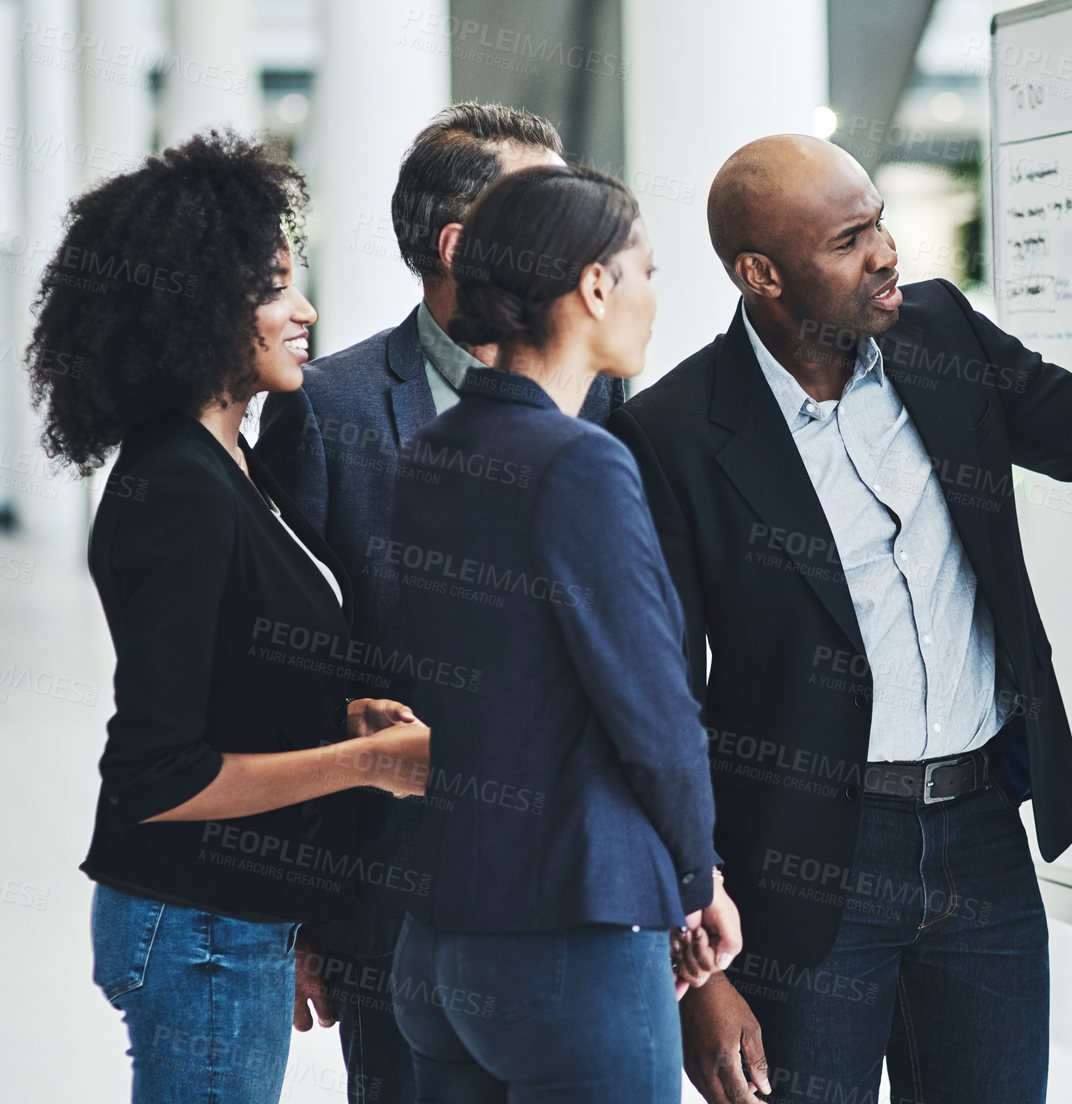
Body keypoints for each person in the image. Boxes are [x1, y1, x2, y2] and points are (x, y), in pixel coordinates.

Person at [606, 133, 1072, 1104]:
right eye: (847, 239)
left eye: (877, 221)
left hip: (980, 844)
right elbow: (659, 711)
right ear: (761, 273)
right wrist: (700, 974)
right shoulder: (670, 436)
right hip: (800, 870)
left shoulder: (941, 334)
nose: (885, 252)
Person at [24, 131, 431, 1103]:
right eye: (276, 288)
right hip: (196, 923)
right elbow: (156, 776)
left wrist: (343, 722)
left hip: (230, 916)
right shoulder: (177, 486)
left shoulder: (230, 462)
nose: (306, 311)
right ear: (196, 306)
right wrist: (370, 766)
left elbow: (236, 688)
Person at [255, 103, 610, 1104]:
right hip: (395, 906)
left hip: (585, 903)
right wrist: (299, 912)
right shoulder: (330, 408)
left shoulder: (613, 400)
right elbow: (293, 674)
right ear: (460, 245)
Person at [388, 163, 742, 1103]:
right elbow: (653, 710)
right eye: (649, 272)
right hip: (573, 936)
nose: (655, 300)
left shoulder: (430, 453)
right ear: (595, 286)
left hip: (440, 940)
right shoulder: (580, 462)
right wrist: (699, 877)